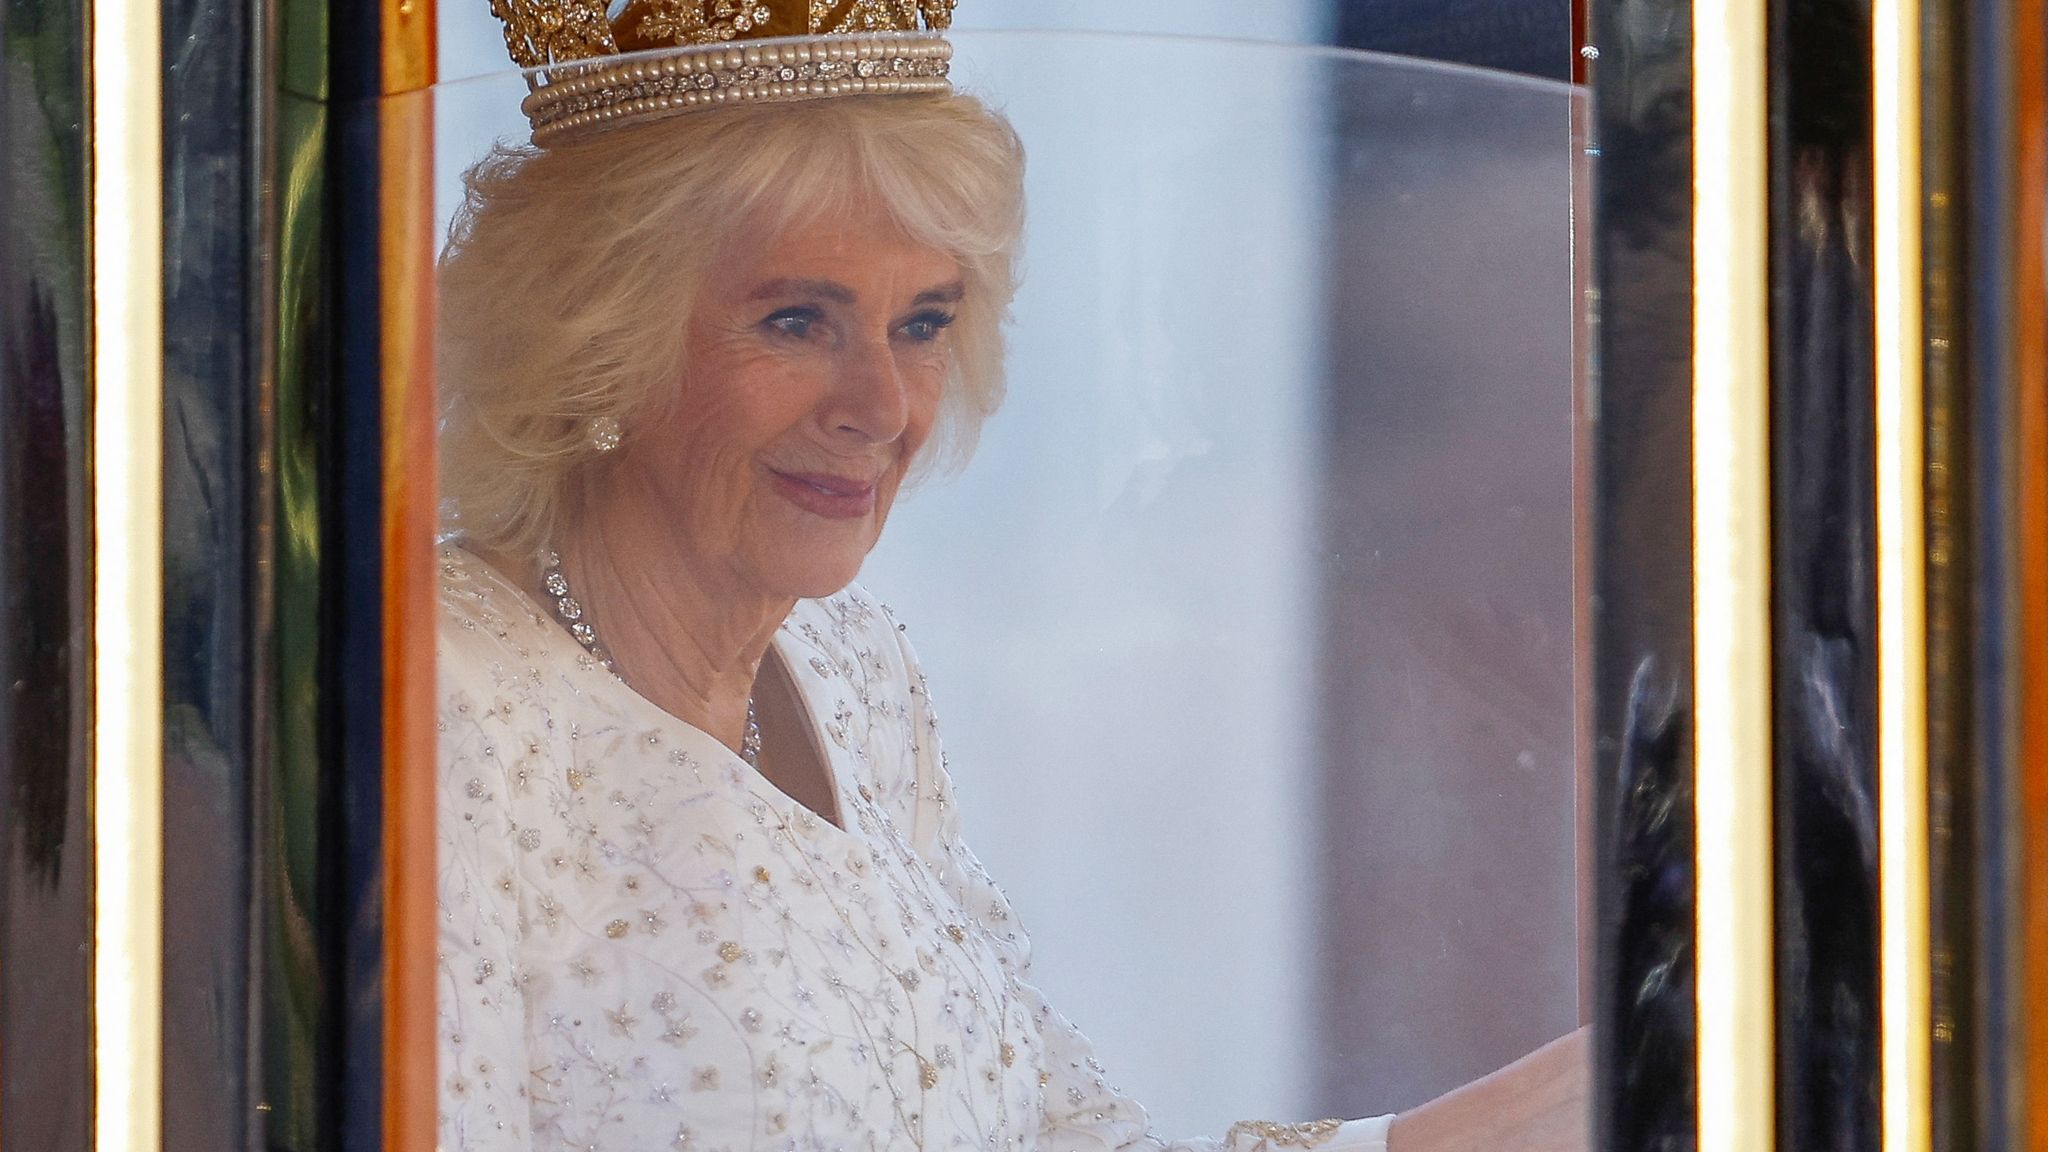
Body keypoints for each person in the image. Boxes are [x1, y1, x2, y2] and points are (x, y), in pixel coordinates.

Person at [436, 6, 1586, 1150]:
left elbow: (1048, 1133)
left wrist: (1444, 1141)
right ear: (594, 336)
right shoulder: (438, 700)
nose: (880, 408)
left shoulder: (850, 665)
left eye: (921, 324)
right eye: (796, 321)